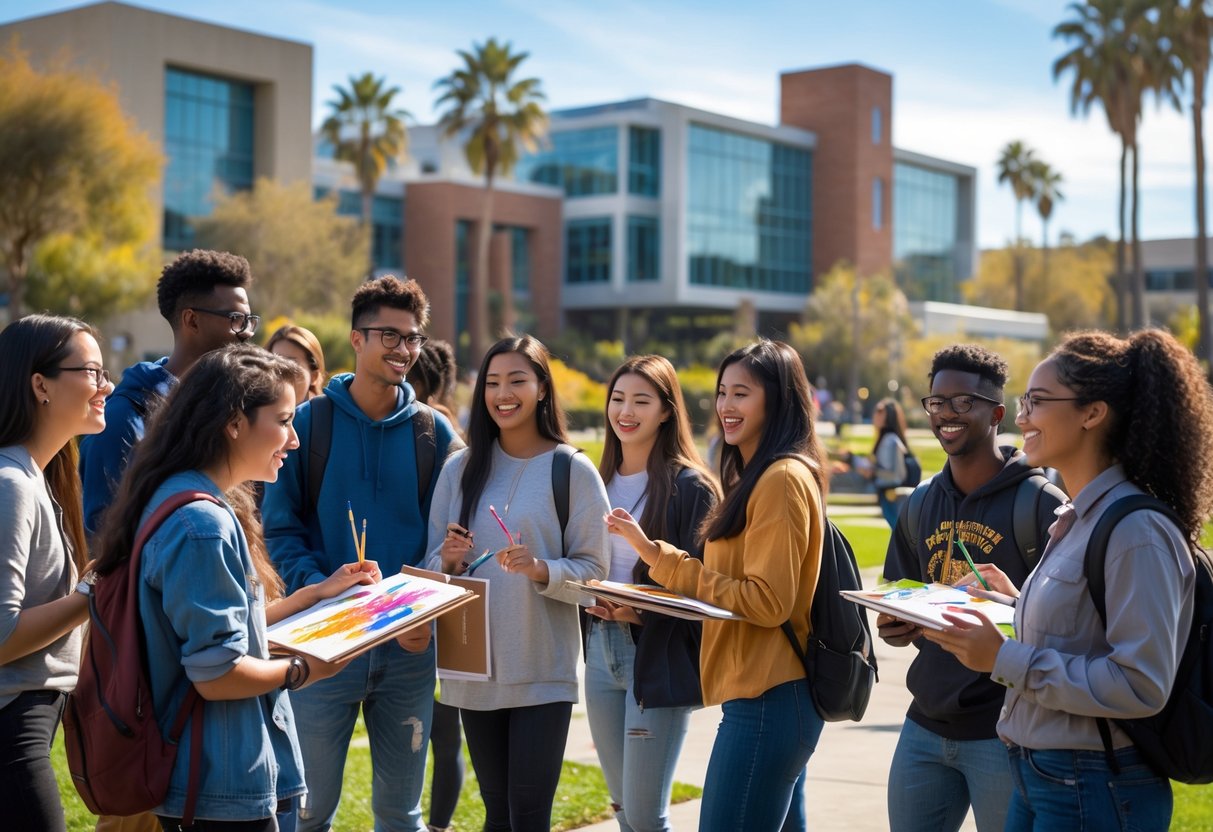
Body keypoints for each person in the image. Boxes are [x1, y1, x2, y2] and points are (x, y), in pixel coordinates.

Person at [925, 329, 1213, 831]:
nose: (1021, 417)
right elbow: (1085, 634)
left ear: (1091, 412)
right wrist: (1015, 608)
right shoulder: (1079, 517)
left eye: (1036, 402)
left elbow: (1139, 684)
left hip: (1095, 783)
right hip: (1041, 774)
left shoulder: (1135, 531)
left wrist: (1002, 657)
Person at [91, 344, 377, 830]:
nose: (294, 440)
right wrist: (304, 669)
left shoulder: (182, 496)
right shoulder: (202, 524)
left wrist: (312, 595)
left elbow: (217, 632)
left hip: (211, 777)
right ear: (234, 423)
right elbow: (217, 673)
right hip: (218, 782)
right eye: (284, 421)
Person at [263, 275, 460, 832]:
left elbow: (447, 540)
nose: (403, 350)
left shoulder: (435, 434)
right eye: (388, 336)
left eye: (412, 338)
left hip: (408, 649)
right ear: (356, 338)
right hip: (322, 645)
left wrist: (425, 598)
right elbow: (279, 529)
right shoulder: (309, 422)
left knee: (402, 815)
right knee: (306, 810)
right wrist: (324, 591)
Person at [605, 340, 828, 832]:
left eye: (741, 394)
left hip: (769, 698)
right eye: (723, 392)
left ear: (778, 399)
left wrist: (663, 560)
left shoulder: (781, 479)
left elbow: (767, 603)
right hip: (762, 694)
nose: (726, 406)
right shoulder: (756, 474)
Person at [878, 344, 1065, 832]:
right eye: (937, 402)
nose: (946, 415)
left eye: (963, 402)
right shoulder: (920, 504)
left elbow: (1067, 625)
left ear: (997, 413)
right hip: (924, 723)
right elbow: (903, 593)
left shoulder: (1041, 505)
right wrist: (898, 625)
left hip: (1002, 732)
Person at [426, 335, 609, 832]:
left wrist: (541, 570)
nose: (502, 393)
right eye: (492, 383)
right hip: (474, 674)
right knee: (496, 816)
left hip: (541, 671)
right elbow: (431, 569)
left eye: (516, 381)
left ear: (543, 389)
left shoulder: (571, 470)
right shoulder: (458, 470)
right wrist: (449, 561)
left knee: (528, 818)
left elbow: (596, 574)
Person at [585, 355, 720, 832]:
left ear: (666, 411)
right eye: (618, 399)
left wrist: (642, 613)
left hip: (657, 656)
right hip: (599, 652)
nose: (626, 411)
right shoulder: (593, 482)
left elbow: (707, 589)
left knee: (645, 817)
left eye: (641, 400)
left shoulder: (691, 488)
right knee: (623, 812)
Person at [0, 314, 111, 831]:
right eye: (90, 371)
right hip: (11, 725)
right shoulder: (12, 483)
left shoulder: (38, 478)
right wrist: (91, 593)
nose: (105, 384)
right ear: (40, 384)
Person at [80, 249, 259, 537]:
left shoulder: (228, 410)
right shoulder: (122, 419)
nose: (247, 332)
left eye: (249, 321)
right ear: (192, 321)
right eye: (236, 318)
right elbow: (103, 538)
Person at [408, 337, 464, 832]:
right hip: (424, 598)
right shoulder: (443, 432)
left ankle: (439, 825)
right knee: (444, 735)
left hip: (433, 601)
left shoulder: (436, 433)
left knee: (445, 732)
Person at [869, 398, 910, 528]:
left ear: (889, 416)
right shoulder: (883, 439)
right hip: (885, 493)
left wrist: (873, 471)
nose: (875, 414)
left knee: (898, 535)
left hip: (892, 495)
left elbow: (897, 474)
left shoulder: (891, 441)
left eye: (880, 411)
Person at [266, 324, 327, 404]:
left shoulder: (327, 414)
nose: (280, 373)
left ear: (314, 376)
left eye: (290, 366)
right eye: (274, 363)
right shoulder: (253, 413)